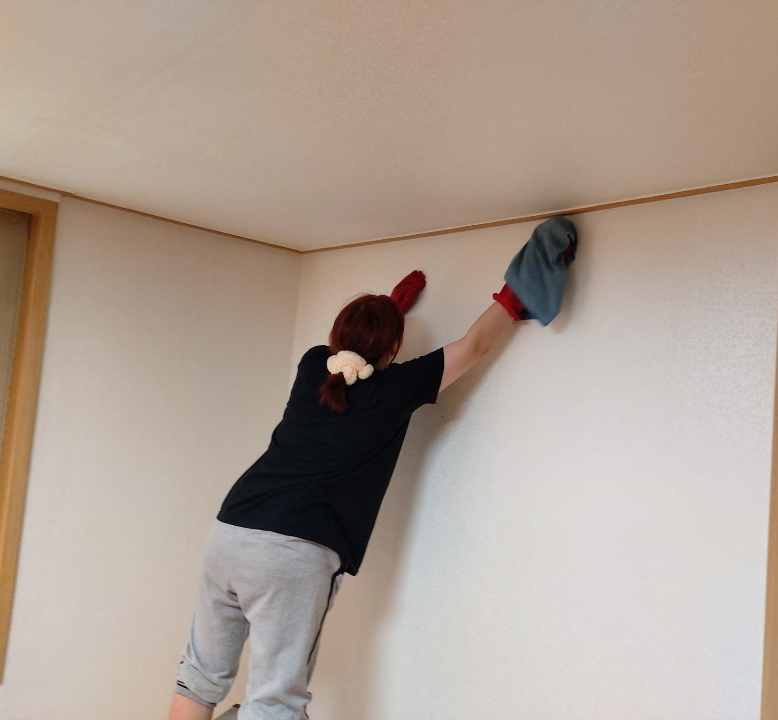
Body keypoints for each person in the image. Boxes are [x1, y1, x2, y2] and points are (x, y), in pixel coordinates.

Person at [168, 217, 577, 720]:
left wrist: (389, 308)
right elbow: (473, 345)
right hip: (293, 552)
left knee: (200, 674)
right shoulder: (397, 388)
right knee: (274, 699)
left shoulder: (312, 366)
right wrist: (514, 297)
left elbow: (350, 361)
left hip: (231, 532)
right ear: (394, 348)